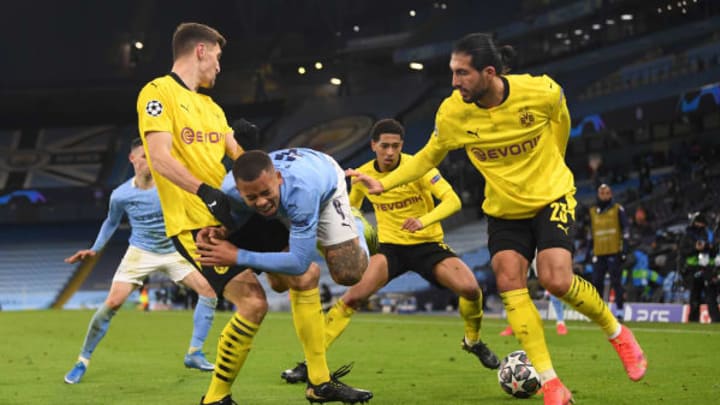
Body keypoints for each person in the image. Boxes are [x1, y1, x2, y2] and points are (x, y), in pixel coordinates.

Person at [346, 33, 647, 405]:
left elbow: (562, 118)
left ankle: (618, 334)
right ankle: (552, 385)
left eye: (462, 73)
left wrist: (554, 158)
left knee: (556, 280)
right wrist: (384, 182)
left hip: (550, 197)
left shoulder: (540, 91)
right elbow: (427, 157)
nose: (455, 82)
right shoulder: (453, 112)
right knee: (509, 282)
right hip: (504, 210)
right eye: (453, 73)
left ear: (489, 72)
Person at [279, 119, 500, 384]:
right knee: (352, 298)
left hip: (427, 245)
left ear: (402, 146)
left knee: (471, 290)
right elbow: (350, 213)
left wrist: (423, 221)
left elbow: (452, 201)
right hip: (391, 248)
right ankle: (310, 364)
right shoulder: (361, 175)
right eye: (384, 146)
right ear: (373, 145)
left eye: (395, 146)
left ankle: (472, 341)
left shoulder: (418, 167)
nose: (390, 152)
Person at [135, 22, 273, 405]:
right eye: (217, 56)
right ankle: (215, 398)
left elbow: (239, 158)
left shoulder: (213, 108)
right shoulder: (157, 93)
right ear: (200, 50)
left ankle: (318, 380)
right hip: (197, 225)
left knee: (306, 274)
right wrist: (205, 191)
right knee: (253, 303)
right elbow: (159, 158)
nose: (219, 65)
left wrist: (255, 156)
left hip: (235, 216)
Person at [196, 148, 373, 404]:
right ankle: (319, 384)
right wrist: (221, 230)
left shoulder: (304, 192)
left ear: (277, 178)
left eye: (266, 192)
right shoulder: (232, 192)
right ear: (239, 190)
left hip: (323, 183)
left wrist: (236, 255)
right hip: (288, 201)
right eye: (252, 196)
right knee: (279, 284)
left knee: (348, 273)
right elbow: (240, 216)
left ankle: (355, 223)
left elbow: (300, 263)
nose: (260, 201)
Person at [63, 138, 216, 385]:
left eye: (152, 155)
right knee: (112, 303)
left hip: (173, 249)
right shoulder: (121, 195)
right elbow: (111, 222)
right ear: (132, 159)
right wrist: (95, 248)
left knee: (209, 292)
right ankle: (82, 360)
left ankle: (194, 353)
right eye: (144, 156)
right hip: (140, 252)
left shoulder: (170, 186)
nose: (150, 160)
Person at [588, 184, 630, 320]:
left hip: (614, 251)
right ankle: (599, 311)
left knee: (616, 282)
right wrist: (589, 251)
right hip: (599, 252)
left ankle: (619, 311)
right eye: (601, 193)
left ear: (611, 194)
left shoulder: (618, 209)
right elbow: (590, 233)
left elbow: (626, 230)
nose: (604, 195)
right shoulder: (593, 211)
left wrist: (624, 250)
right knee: (596, 282)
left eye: (607, 193)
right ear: (598, 194)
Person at [678, 212, 720, 322]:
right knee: (695, 298)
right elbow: (683, 252)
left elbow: (715, 250)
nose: (699, 225)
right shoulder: (687, 236)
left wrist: (709, 247)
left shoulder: (710, 234)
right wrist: (695, 248)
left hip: (708, 269)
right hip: (694, 270)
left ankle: (716, 321)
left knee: (711, 298)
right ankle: (693, 320)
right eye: (698, 222)